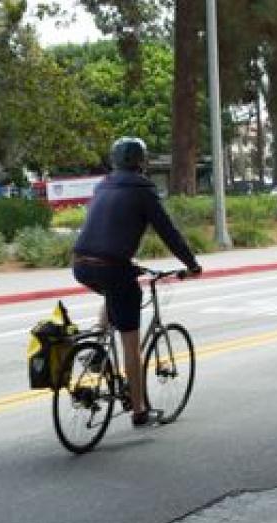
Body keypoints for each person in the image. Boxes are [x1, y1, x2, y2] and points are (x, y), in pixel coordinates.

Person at [72, 137, 203, 428]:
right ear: (141, 162)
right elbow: (168, 232)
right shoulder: (143, 190)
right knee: (131, 341)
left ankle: (96, 350)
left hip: (80, 264)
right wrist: (191, 264)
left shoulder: (103, 185)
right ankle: (139, 410)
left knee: (114, 292)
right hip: (112, 267)